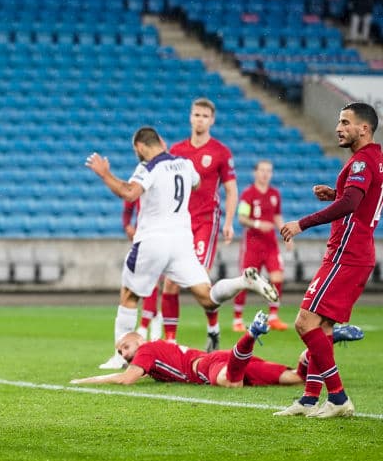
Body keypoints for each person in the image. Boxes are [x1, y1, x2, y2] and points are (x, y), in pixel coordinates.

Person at [86, 126, 277, 369]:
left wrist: (105, 174)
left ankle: (119, 357)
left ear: (141, 147)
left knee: (129, 296)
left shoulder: (148, 167)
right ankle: (243, 282)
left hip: (153, 240)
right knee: (208, 298)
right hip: (181, 242)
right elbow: (197, 184)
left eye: (136, 150)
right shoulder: (185, 164)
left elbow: (130, 193)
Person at [275, 102, 382, 419]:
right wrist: (335, 194)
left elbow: (352, 203)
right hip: (355, 252)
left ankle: (337, 397)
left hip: (346, 254)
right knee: (320, 328)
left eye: (345, 122)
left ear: (363, 129)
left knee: (304, 323)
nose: (339, 127)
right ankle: (310, 399)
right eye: (338, 121)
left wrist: (301, 223)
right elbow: (356, 200)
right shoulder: (374, 159)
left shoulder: (363, 161)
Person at [162, 98, 238, 351]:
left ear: (212, 120)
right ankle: (170, 341)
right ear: (190, 117)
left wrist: (228, 222)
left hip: (206, 221)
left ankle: (213, 330)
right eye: (197, 115)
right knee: (170, 281)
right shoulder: (178, 149)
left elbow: (231, 189)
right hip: (180, 223)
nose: (200, 119)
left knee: (199, 279)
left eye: (205, 116)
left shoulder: (221, 152)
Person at [70, 311, 301, 387]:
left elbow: (126, 379)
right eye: (120, 352)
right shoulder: (153, 350)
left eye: (125, 347)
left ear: (140, 340)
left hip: (205, 367)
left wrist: (87, 380)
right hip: (221, 358)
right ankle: (319, 346)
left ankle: (250, 334)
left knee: (232, 383)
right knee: (296, 377)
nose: (124, 354)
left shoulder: (145, 351)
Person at [234, 160, 291, 332]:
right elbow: (242, 218)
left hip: (271, 244)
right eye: (262, 170)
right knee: (246, 280)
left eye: (269, 171)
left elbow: (277, 217)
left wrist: (287, 234)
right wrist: (258, 224)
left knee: (277, 277)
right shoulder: (248, 194)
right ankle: (237, 318)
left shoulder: (275, 194)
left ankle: (273, 316)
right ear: (255, 173)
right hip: (252, 244)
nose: (265, 174)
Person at [123, 199, 163, 341]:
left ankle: (144, 326)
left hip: (161, 235)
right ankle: (156, 317)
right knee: (144, 282)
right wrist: (127, 224)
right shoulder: (144, 179)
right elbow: (129, 198)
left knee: (152, 281)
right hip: (142, 235)